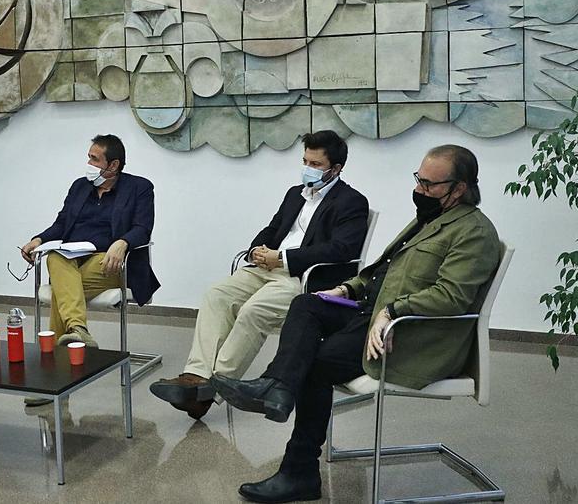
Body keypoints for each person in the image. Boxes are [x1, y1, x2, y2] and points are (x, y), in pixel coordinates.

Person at [212, 145, 502, 504]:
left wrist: (392, 311)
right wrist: (348, 287)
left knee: (317, 364)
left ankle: (298, 471)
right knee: (307, 303)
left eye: (429, 185)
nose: (419, 191)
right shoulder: (429, 219)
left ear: (458, 188)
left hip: (408, 333)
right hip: (371, 312)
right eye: (418, 180)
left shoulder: (474, 232)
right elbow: (383, 270)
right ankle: (277, 386)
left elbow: (452, 296)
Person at [149, 130, 369, 421]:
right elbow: (274, 228)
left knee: (254, 311)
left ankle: (211, 388)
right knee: (216, 294)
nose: (307, 169)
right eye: (305, 161)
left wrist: (284, 258)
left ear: (336, 168)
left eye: (315, 165)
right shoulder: (295, 194)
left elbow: (341, 249)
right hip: (267, 267)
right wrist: (257, 249)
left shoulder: (351, 201)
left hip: (304, 278)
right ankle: (196, 376)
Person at [20, 134, 157, 349]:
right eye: (89, 158)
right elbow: (61, 223)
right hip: (72, 259)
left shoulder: (139, 188)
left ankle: (54, 357)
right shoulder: (80, 186)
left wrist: (122, 242)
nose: (89, 164)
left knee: (61, 289)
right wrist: (39, 239)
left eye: (95, 159)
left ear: (113, 165)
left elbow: (142, 228)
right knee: (54, 258)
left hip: (109, 261)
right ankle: (78, 331)